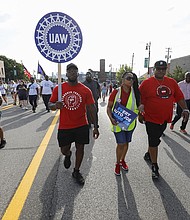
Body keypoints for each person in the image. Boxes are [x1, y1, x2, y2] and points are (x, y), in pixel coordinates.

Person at [49, 63, 99, 185]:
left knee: (80, 148)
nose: (72, 72)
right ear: (66, 74)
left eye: (74, 71)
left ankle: (76, 171)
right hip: (65, 126)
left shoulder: (85, 90)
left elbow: (92, 108)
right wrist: (55, 105)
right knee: (64, 149)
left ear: (77, 73)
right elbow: (50, 105)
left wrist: (96, 127)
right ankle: (68, 154)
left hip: (81, 124)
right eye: (70, 71)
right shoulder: (59, 89)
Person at [139, 60, 189, 179]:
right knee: (154, 140)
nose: (161, 71)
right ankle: (155, 166)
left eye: (163, 69)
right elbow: (140, 98)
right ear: (154, 70)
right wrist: (140, 112)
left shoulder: (171, 82)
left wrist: (185, 109)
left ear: (166, 70)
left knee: (155, 138)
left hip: (165, 118)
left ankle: (148, 153)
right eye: (158, 69)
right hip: (151, 118)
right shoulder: (146, 83)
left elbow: (179, 97)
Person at [107, 71, 139, 175]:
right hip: (117, 123)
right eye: (128, 78)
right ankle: (117, 163)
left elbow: (139, 105)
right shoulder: (116, 92)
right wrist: (111, 118)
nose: (131, 80)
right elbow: (109, 107)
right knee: (120, 144)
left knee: (126, 143)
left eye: (132, 79)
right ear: (123, 80)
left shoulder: (136, 93)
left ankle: (123, 160)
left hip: (130, 123)